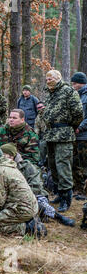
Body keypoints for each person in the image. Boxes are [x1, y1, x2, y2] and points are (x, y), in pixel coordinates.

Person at [0, 143, 75, 227]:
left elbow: (36, 186)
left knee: (39, 204)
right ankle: (35, 220)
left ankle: (58, 217)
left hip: (33, 195)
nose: (3, 158)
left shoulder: (27, 166)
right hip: (11, 199)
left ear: (12, 156)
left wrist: (24, 195)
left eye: (5, 156)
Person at [41, 70, 84, 212]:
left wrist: (69, 126)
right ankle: (59, 193)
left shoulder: (68, 91)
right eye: (47, 79)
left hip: (64, 134)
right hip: (50, 134)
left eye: (51, 78)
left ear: (58, 78)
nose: (48, 80)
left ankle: (67, 198)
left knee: (63, 166)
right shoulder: (48, 93)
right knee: (52, 165)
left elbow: (78, 113)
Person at [0, 146, 44, 237]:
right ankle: (29, 221)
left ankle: (29, 228)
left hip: (21, 210)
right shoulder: (8, 166)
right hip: (29, 207)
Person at [71, 72, 87, 199]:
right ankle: (79, 189)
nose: (73, 85)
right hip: (75, 136)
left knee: (84, 164)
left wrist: (80, 127)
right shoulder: (76, 96)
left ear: (81, 83)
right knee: (75, 162)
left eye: (75, 83)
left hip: (84, 135)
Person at [34, 101, 47, 167]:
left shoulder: (49, 114)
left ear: (44, 106)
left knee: (43, 145)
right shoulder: (38, 117)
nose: (40, 109)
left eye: (41, 107)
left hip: (51, 135)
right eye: (38, 108)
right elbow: (36, 128)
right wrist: (35, 136)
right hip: (43, 135)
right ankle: (41, 162)